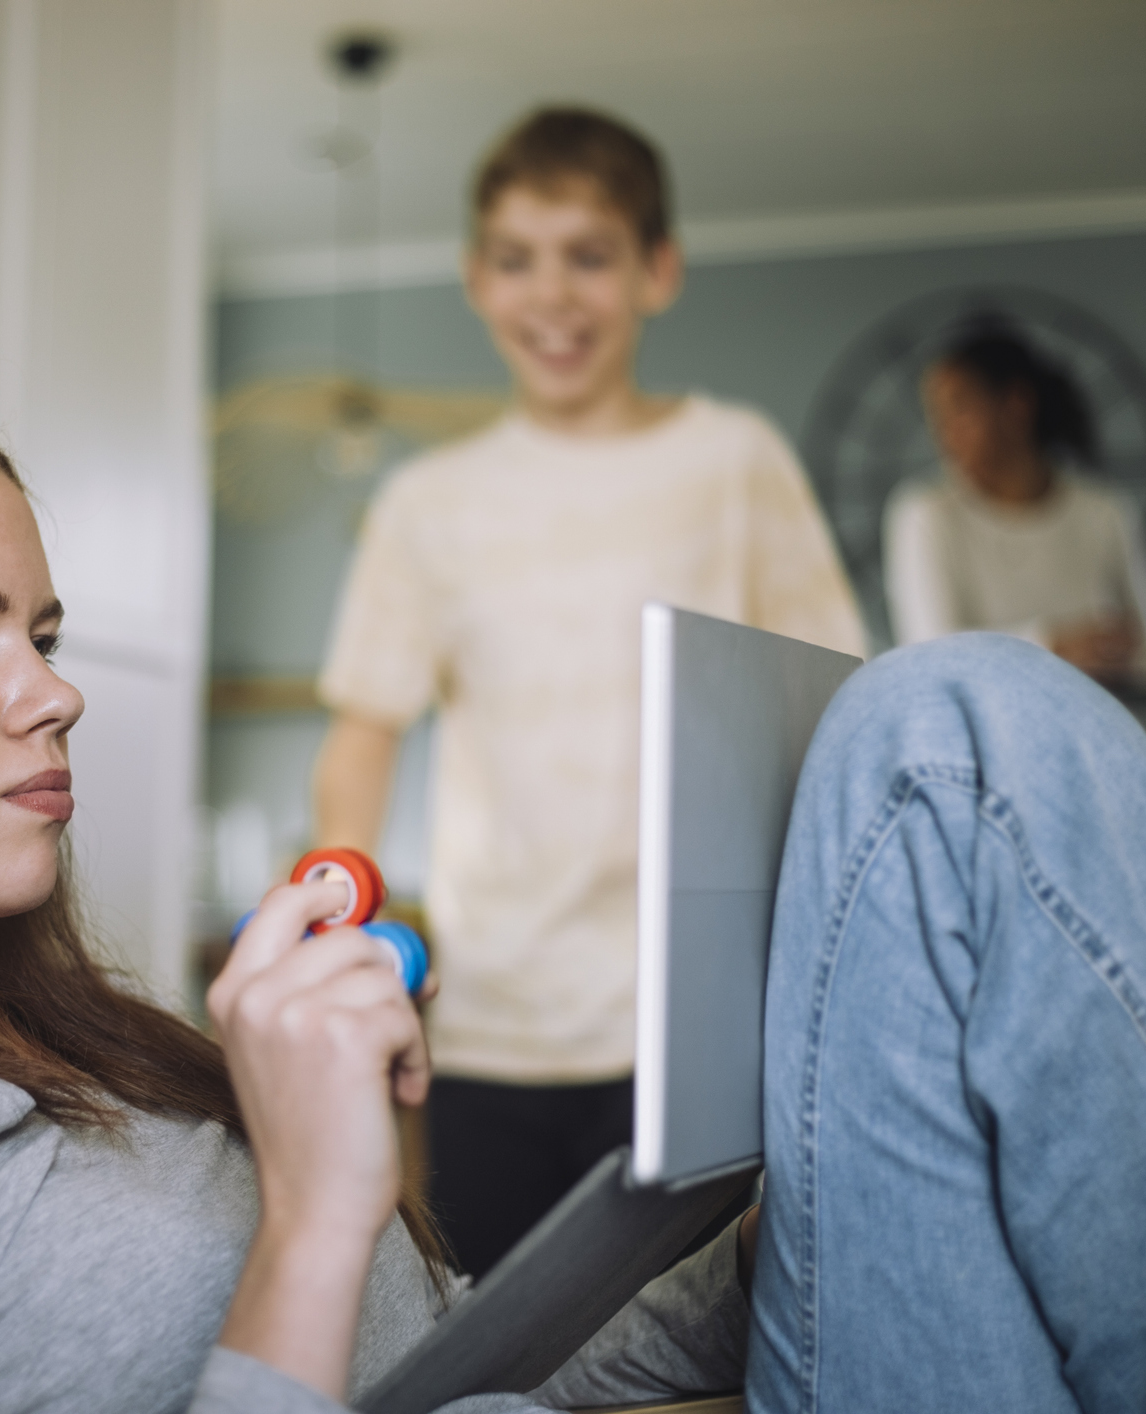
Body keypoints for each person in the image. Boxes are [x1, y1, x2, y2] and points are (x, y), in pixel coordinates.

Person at [0, 399, 1146, 1414]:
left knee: (945, 734)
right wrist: (320, 1214)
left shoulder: (92, 1048)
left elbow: (478, 1364)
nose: (52, 688)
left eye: (41, 633)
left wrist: (779, 1204)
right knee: (937, 738)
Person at [311, 107, 865, 1279]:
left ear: (655, 270)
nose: (551, 294)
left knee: (701, 1353)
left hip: (695, 1025)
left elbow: (830, 710)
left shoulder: (734, 461)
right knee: (497, 1355)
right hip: (487, 1025)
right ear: (475, 279)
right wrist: (343, 917)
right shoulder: (429, 503)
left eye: (589, 255)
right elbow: (362, 736)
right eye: (516, 259)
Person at [884, 321, 1146, 678]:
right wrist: (1051, 643)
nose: (943, 431)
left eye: (959, 407)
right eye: (936, 414)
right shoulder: (924, 514)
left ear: (1016, 404)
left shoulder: (1104, 511)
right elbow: (927, 651)